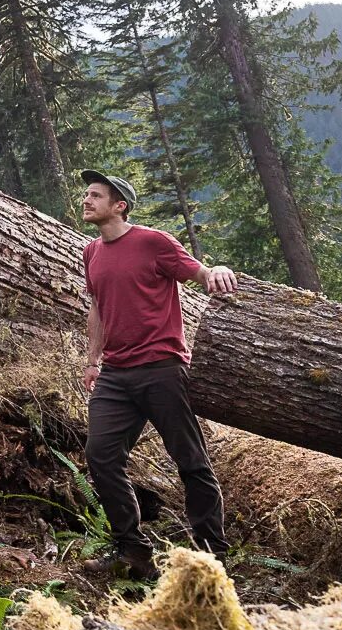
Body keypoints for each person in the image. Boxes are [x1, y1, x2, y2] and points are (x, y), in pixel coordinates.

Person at [78, 168, 238, 581]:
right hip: (114, 374)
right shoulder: (91, 252)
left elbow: (197, 272)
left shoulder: (153, 242)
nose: (87, 200)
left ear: (119, 206)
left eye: (96, 195)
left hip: (162, 369)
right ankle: (134, 552)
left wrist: (215, 270)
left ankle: (211, 558)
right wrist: (93, 361)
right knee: (100, 456)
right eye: (87, 194)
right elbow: (97, 307)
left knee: (190, 461)